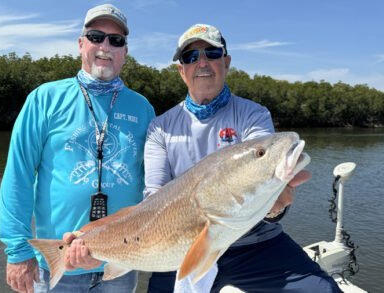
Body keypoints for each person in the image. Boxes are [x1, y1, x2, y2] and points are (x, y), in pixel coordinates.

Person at [143, 24, 342, 293]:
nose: (202, 62)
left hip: (254, 243)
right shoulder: (160, 127)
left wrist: (274, 207)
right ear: (181, 70)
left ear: (226, 62)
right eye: (191, 57)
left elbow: (265, 167)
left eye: (211, 53)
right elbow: (153, 199)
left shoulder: (253, 115)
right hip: (183, 249)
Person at [0, 4, 155, 293]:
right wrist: (18, 251)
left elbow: (154, 186)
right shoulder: (44, 99)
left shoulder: (143, 108)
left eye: (116, 40)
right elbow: (17, 176)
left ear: (125, 52)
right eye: (96, 36)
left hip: (119, 265)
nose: (105, 46)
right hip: (57, 265)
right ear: (81, 43)